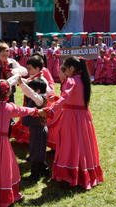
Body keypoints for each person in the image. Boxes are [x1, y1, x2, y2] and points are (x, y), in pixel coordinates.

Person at [39, 56, 104, 190]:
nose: (64, 70)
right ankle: (84, 172)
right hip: (84, 115)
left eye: (65, 67)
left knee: (70, 144)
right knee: (83, 144)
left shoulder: (71, 80)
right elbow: (73, 98)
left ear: (72, 68)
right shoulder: (84, 79)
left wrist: (50, 109)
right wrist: (58, 100)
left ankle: (71, 173)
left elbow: (65, 97)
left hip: (72, 116)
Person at [10, 56, 52, 144]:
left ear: (37, 69)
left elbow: (48, 91)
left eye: (29, 68)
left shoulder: (41, 80)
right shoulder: (33, 77)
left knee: (35, 128)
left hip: (36, 106)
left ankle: (33, 147)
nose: (28, 70)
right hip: (32, 103)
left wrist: (38, 94)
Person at [18, 77, 49, 181]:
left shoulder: (39, 99)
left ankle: (35, 175)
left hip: (39, 129)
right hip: (35, 128)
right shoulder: (39, 97)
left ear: (38, 91)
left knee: (37, 151)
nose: (29, 91)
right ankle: (44, 169)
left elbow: (30, 93)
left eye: (31, 89)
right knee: (36, 149)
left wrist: (21, 83)